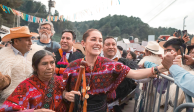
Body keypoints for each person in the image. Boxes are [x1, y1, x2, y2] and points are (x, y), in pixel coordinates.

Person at [62, 29, 166, 112]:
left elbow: (135, 73)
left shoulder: (110, 65)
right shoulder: (73, 66)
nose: (97, 43)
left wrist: (161, 68)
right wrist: (66, 94)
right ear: (83, 43)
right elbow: (61, 89)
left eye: (100, 40)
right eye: (93, 39)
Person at [0, 50, 65, 112]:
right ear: (34, 67)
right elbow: (6, 109)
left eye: (52, 63)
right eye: (44, 64)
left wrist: (66, 94)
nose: (50, 67)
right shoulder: (25, 86)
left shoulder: (61, 82)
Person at [0, 26, 43, 106]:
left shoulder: (37, 53)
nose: (31, 42)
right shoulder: (3, 58)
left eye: (31, 39)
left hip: (36, 100)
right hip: (11, 102)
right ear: (16, 41)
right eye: (28, 40)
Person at [102, 36, 138, 112]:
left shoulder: (125, 63)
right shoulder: (96, 62)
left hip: (115, 105)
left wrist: (156, 70)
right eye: (108, 44)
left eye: (113, 44)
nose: (111, 47)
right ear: (102, 47)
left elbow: (136, 74)